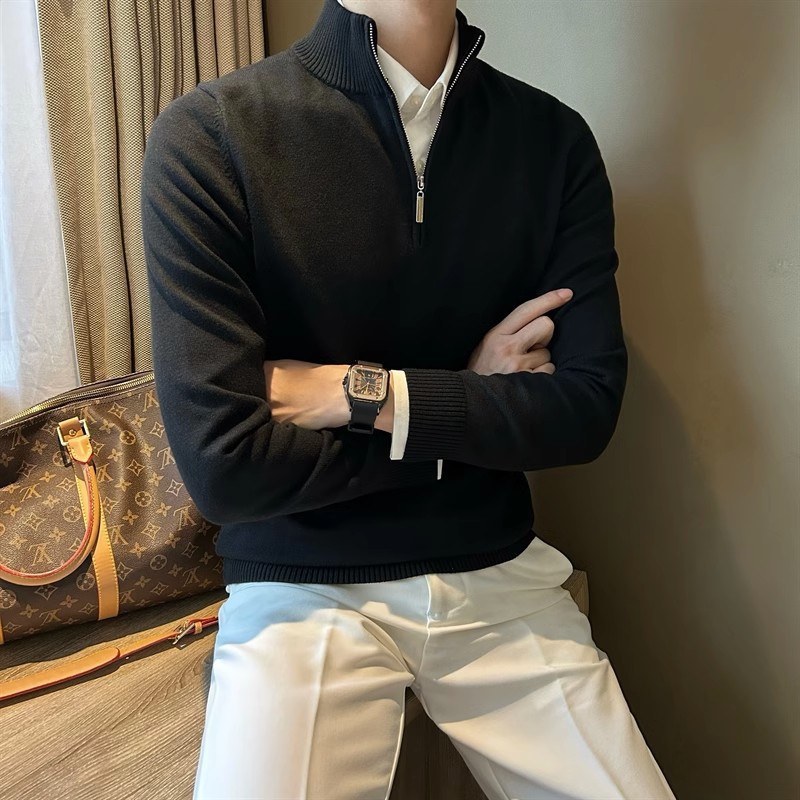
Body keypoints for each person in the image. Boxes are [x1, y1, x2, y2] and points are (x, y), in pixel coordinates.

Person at [141, 0, 676, 797]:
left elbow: (584, 411)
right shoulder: (212, 134)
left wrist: (363, 395)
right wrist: (468, 398)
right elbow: (226, 467)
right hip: (301, 586)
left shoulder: (552, 140)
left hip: (499, 573)